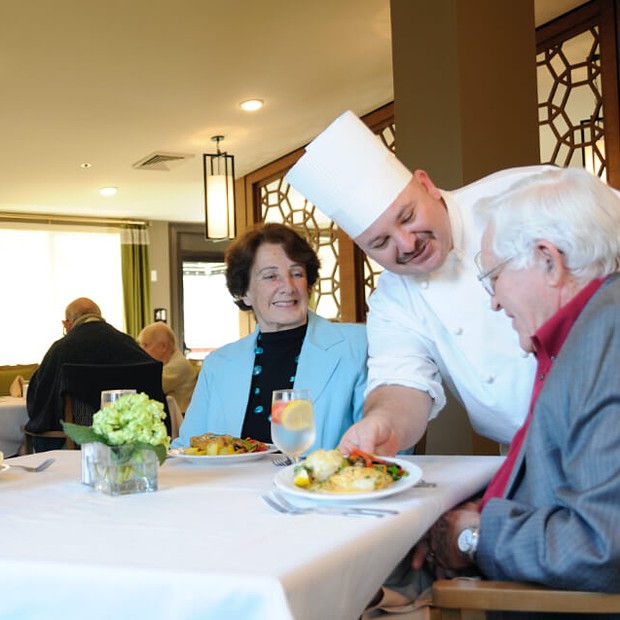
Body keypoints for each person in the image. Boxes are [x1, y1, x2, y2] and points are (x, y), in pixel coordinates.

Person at [389, 167, 620, 617]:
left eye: (493, 276)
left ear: (549, 261)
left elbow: (598, 545)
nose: (493, 301)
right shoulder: (580, 334)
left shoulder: (606, 338)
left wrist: (473, 537)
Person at [286, 110, 555, 454]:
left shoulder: (525, 194)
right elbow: (401, 382)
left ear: (427, 185)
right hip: (523, 455)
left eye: (408, 217)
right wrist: (383, 423)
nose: (407, 244)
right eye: (380, 243)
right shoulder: (392, 301)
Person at [173, 223, 367, 449]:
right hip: (232, 484)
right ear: (244, 292)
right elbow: (188, 447)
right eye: (270, 276)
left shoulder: (357, 346)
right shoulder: (219, 364)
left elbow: (384, 448)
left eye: (297, 273)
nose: (288, 287)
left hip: (322, 484)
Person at [26, 297, 163, 452]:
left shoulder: (61, 349)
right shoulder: (128, 343)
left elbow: (41, 396)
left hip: (80, 437)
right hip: (130, 436)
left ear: (67, 324)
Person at [138, 321, 197, 413]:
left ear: (163, 346)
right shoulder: (171, 362)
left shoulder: (178, 365)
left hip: (182, 420)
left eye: (146, 345)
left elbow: (148, 387)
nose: (142, 350)